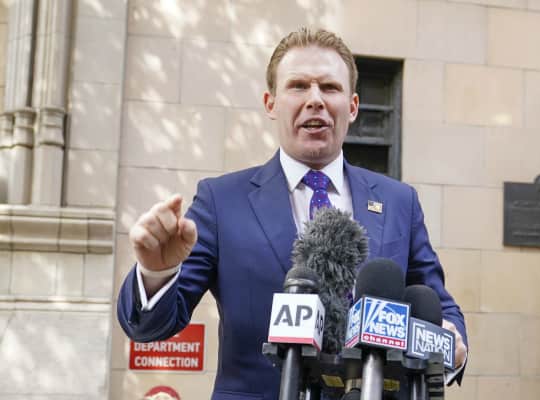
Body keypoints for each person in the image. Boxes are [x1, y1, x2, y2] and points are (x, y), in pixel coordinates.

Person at [117, 27, 468, 400]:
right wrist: (156, 273)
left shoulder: (400, 201)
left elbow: (439, 306)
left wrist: (452, 343)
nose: (315, 100)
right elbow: (151, 326)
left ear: (352, 106)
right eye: (298, 86)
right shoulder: (221, 200)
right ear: (271, 103)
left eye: (329, 87)